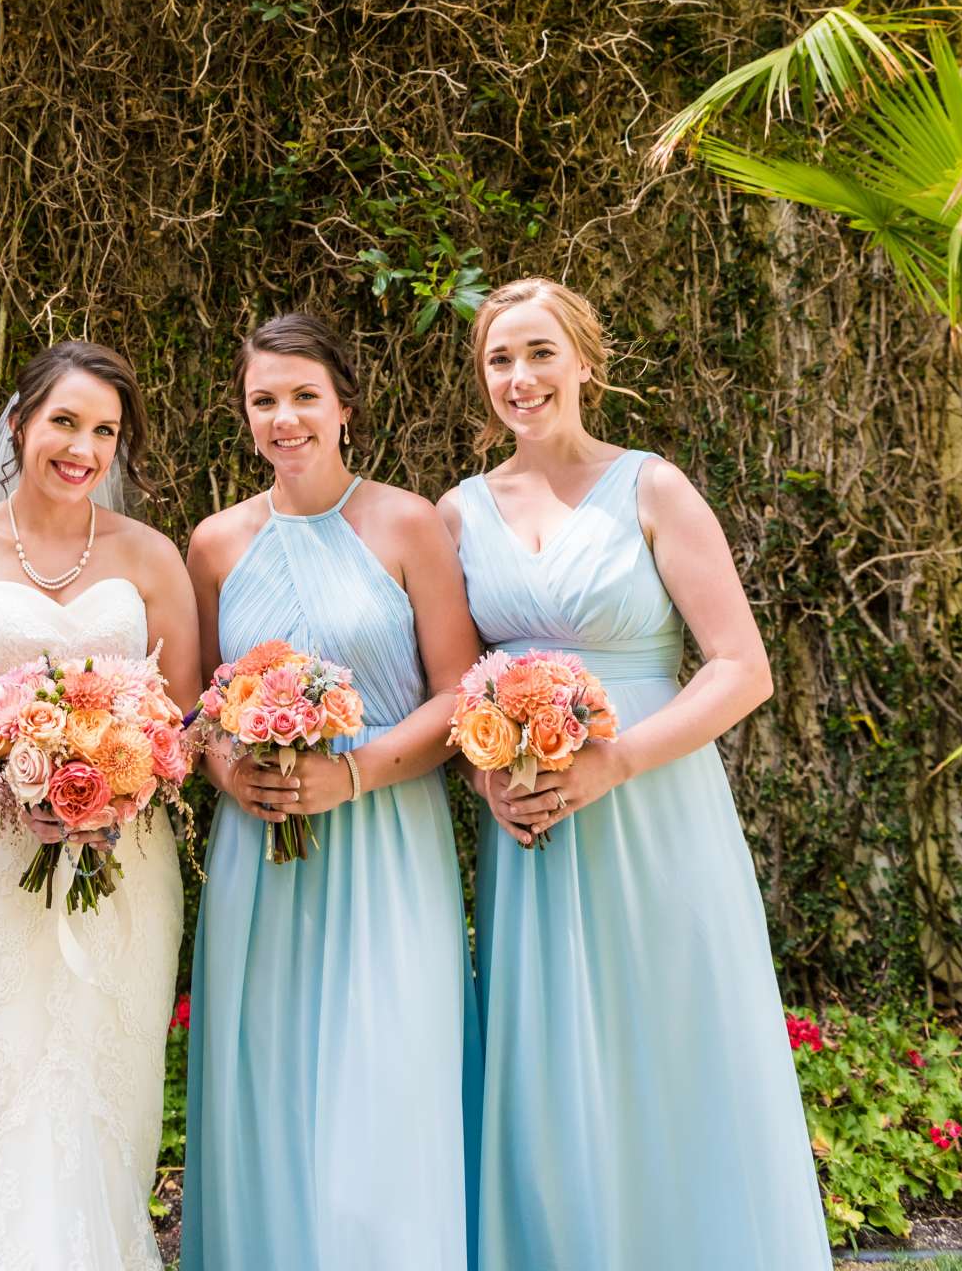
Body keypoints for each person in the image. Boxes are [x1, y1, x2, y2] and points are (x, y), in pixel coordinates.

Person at [441, 275, 832, 1271]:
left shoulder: (650, 486)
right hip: (532, 822)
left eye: (539, 354)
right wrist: (489, 777)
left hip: (655, 805)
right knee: (551, 1061)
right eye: (499, 360)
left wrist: (614, 762)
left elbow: (742, 668)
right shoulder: (457, 513)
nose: (520, 378)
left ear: (584, 362)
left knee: (673, 1043)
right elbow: (451, 684)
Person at [0, 337, 199, 1271]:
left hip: (122, 872)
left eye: (104, 430)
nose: (83, 447)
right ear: (19, 423)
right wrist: (14, 791)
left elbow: (180, 725)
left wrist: (118, 784)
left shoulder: (152, 559)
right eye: (64, 421)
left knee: (102, 1094)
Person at [182, 311, 481, 1271]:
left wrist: (351, 772)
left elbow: (458, 697)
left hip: (388, 840)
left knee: (387, 1078)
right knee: (267, 1078)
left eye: (305, 396)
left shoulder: (407, 522)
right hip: (259, 854)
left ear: (345, 407)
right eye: (264, 400)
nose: (285, 418)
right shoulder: (215, 544)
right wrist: (232, 770)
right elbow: (195, 707)